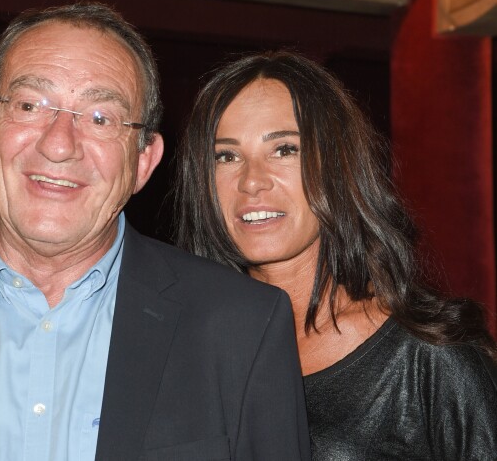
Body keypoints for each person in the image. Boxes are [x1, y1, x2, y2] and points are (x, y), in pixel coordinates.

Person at [0, 5, 311, 461]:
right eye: (29, 106)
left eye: (101, 118)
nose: (59, 144)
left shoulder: (241, 327)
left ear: (143, 162)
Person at [173, 50, 497, 460]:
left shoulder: (430, 358)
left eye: (285, 149)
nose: (252, 181)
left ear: (337, 165)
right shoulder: (183, 353)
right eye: (226, 156)